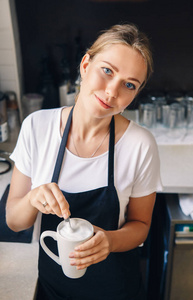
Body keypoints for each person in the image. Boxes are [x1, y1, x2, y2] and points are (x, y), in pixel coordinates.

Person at [6, 23, 162, 300]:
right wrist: (32, 198)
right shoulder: (37, 127)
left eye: (129, 85)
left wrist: (110, 241)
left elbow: (141, 227)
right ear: (85, 65)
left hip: (117, 290)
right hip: (53, 289)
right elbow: (14, 223)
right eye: (107, 71)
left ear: (135, 95)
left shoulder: (140, 144)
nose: (112, 91)